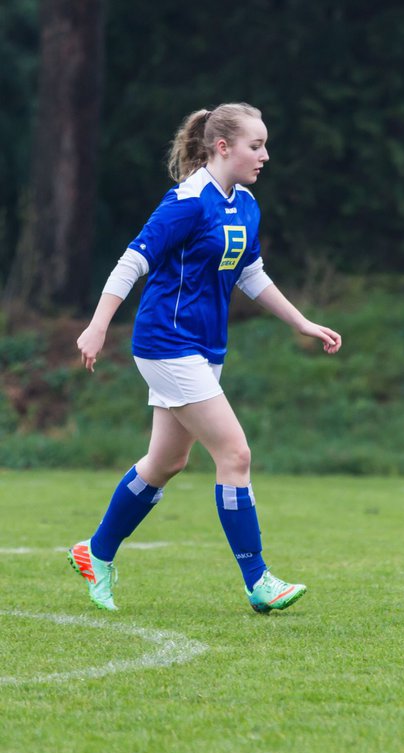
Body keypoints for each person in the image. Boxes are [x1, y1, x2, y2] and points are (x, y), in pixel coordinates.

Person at [68, 102, 342, 612]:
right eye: (255, 146)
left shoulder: (244, 205)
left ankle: (95, 551)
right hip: (166, 344)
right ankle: (258, 580)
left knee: (166, 461)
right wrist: (97, 324)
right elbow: (133, 261)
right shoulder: (188, 202)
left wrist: (301, 321)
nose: (265, 156)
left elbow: (250, 274)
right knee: (235, 455)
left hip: (204, 347)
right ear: (222, 147)